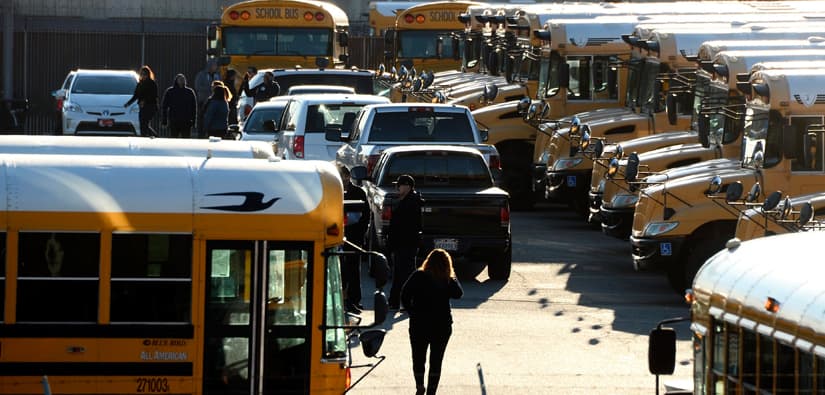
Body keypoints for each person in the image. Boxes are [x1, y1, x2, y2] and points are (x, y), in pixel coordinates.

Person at [401, 248, 463, 395]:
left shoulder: (418, 276)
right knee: (436, 360)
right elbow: (459, 294)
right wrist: (452, 276)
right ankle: (432, 391)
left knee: (418, 357)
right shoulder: (447, 279)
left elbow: (404, 294)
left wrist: (412, 313)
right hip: (441, 325)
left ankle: (419, 385)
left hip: (419, 324)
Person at [387, 174, 423, 310]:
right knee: (398, 274)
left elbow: (405, 226)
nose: (397, 187)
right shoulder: (405, 200)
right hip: (401, 244)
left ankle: (410, 301)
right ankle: (394, 301)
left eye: (400, 185)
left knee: (407, 274)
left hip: (406, 244)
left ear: (408, 186)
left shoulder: (411, 203)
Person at [340, 166, 370, 313]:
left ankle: (354, 301)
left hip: (354, 237)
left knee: (353, 271)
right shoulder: (332, 191)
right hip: (337, 238)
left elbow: (365, 216)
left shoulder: (359, 192)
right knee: (339, 271)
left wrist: (360, 234)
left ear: (347, 176)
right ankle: (340, 301)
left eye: (342, 176)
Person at [124, 65, 159, 137]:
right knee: (142, 123)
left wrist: (144, 101)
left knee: (145, 123)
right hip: (142, 107)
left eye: (145, 74)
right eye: (142, 74)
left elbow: (154, 95)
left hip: (150, 106)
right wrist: (128, 103)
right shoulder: (140, 84)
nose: (143, 76)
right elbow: (136, 95)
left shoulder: (152, 83)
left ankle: (154, 136)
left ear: (148, 74)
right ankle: (145, 136)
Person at [160, 74, 197, 138]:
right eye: (180, 79)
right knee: (174, 139)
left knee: (186, 139)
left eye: (183, 79)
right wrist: (164, 120)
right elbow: (164, 106)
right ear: (176, 80)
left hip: (186, 120)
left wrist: (194, 121)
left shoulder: (189, 92)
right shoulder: (170, 91)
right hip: (174, 120)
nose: (182, 81)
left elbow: (194, 107)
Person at [195, 59, 222, 137]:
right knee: (202, 119)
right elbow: (198, 87)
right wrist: (210, 89)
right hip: (203, 101)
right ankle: (201, 134)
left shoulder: (217, 75)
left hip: (215, 101)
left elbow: (221, 86)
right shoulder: (201, 75)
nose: (216, 67)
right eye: (214, 65)